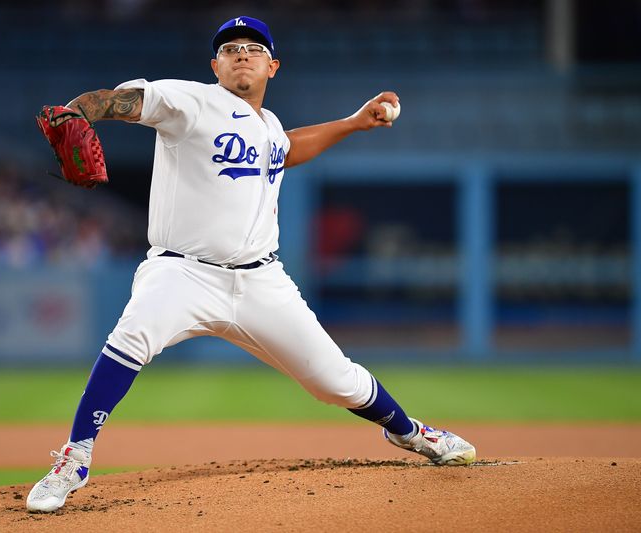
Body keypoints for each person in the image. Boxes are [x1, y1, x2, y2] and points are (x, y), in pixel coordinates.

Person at [26, 15, 475, 513]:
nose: (242, 53)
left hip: (262, 281)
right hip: (183, 272)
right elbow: (115, 100)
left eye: (254, 48)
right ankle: (74, 458)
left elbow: (286, 148)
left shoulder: (269, 126)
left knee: (337, 380)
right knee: (132, 335)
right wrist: (77, 110)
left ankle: (411, 433)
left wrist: (352, 122)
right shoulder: (189, 102)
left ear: (273, 67)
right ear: (215, 64)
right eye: (231, 47)